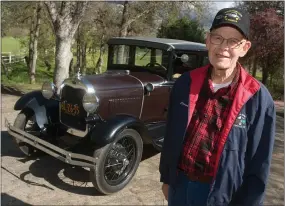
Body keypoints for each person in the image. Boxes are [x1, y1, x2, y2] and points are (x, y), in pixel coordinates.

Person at [159, 7, 276, 206]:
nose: (223, 47)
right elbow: (171, 135)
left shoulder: (258, 98)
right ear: (207, 40)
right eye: (218, 38)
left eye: (233, 41)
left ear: (244, 48)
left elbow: (259, 164)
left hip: (221, 194)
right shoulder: (185, 83)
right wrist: (167, 178)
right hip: (179, 186)